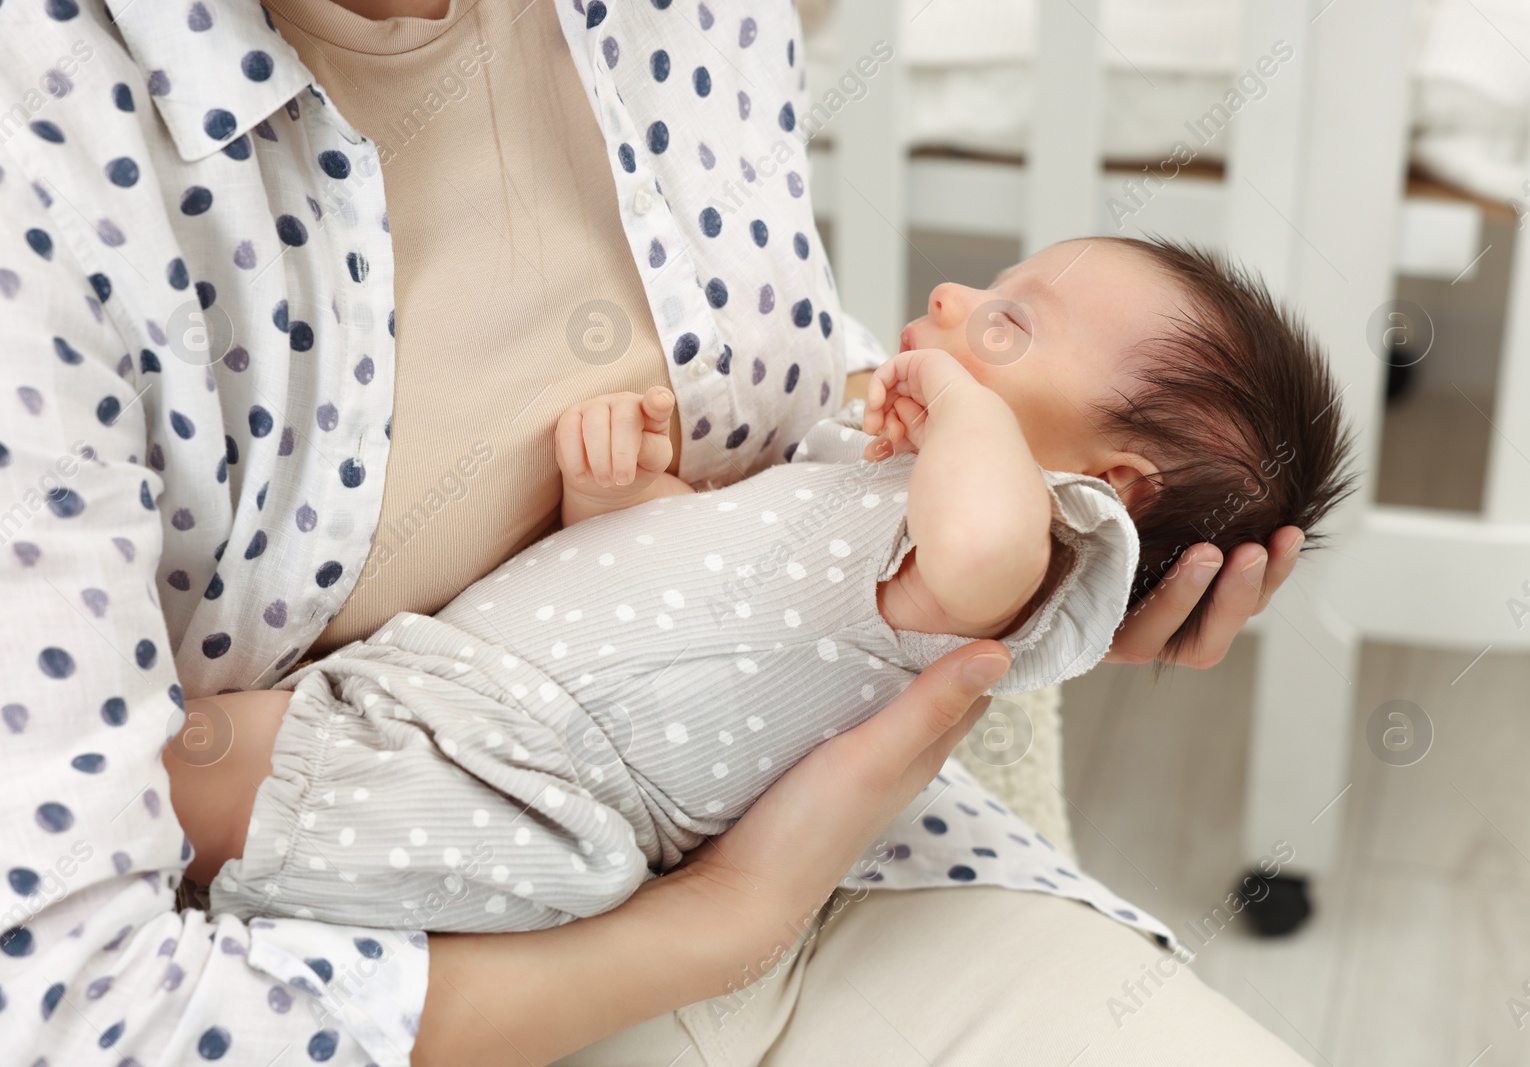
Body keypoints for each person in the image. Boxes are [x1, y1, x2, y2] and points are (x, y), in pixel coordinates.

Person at [0, 1, 1310, 1063]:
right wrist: (716, 927)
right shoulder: (46, 133)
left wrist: (1063, 579)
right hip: (352, 967)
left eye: (1012, 321)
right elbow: (74, 1003)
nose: (959, 300)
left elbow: (799, 523)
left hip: (777, 855)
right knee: (203, 782)